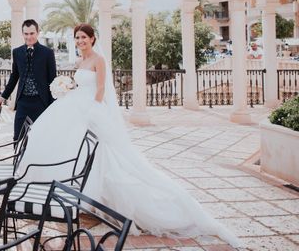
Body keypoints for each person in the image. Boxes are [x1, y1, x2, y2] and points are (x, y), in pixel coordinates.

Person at [17, 23, 241, 247]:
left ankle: (107, 200)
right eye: (77, 37)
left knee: (105, 156)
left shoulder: (98, 60)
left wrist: (92, 111)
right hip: (77, 107)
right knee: (78, 152)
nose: (80, 41)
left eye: (84, 37)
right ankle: (87, 197)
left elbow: (102, 89)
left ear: (93, 39)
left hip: (90, 110)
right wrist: (67, 89)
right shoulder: (81, 61)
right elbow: (81, 85)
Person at [0, 19, 56, 140]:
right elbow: (14, 76)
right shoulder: (17, 52)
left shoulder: (47, 53)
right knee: (18, 136)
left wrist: (52, 105)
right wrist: (4, 96)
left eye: (32, 33)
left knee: (40, 137)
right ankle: (18, 159)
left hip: (41, 102)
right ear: (22, 34)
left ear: (38, 33)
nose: (29, 37)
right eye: (26, 34)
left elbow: (52, 80)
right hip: (23, 101)